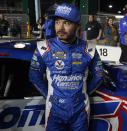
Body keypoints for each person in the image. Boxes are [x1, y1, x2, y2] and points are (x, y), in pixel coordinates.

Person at [29, 3, 104, 131]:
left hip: (80, 111)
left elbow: (99, 76)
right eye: (57, 22)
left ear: (78, 26)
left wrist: (84, 94)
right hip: (54, 111)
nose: (60, 27)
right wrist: (49, 96)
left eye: (67, 23)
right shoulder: (44, 48)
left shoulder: (89, 49)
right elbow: (34, 76)